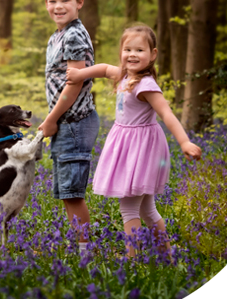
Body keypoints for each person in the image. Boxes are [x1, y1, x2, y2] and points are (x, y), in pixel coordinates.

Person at [66, 23, 202, 257]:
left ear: (152, 55)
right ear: (121, 52)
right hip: (128, 145)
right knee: (148, 209)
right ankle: (166, 256)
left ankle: (133, 261)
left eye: (140, 50)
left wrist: (184, 142)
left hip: (141, 149)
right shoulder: (123, 75)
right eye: (128, 49)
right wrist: (80, 73)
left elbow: (167, 114)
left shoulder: (146, 84)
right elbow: (102, 68)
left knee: (129, 207)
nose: (132, 54)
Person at [38, 0, 100, 254]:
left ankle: (86, 256)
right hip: (67, 122)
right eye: (52, 0)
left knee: (72, 193)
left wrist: (51, 120)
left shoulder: (74, 35)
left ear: (80, 2)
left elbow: (74, 85)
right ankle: (82, 249)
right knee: (67, 192)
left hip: (74, 123)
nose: (58, 6)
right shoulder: (59, 34)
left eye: (65, 0)